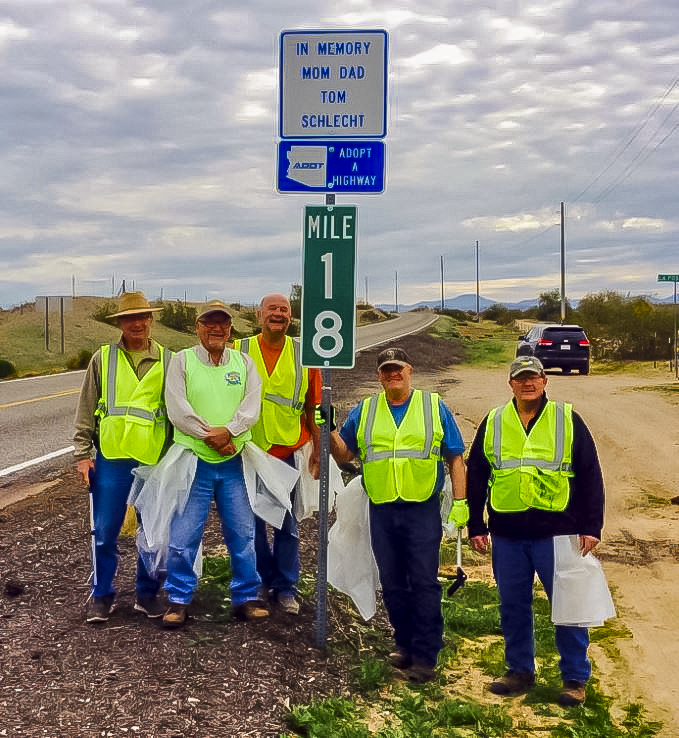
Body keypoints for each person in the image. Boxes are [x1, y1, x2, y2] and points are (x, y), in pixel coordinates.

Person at [467, 356, 605, 707]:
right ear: (510, 383)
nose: (528, 383)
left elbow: (589, 472)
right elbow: (478, 474)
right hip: (508, 534)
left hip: (558, 532)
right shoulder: (494, 421)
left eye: (534, 378)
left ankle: (574, 678)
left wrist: (592, 525)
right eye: (521, 378)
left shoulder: (566, 418)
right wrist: (475, 523)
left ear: (545, 381)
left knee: (568, 607)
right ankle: (519, 671)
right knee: (512, 606)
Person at [329, 347, 467, 683]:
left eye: (398, 368)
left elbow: (456, 458)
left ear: (409, 370)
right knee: (392, 582)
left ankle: (425, 654)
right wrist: (328, 428)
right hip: (383, 507)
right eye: (386, 369)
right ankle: (404, 643)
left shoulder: (433, 407)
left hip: (422, 507)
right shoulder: (365, 410)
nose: (393, 374)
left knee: (422, 581)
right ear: (379, 375)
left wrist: (460, 502)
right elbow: (345, 452)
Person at [161, 299, 267, 628]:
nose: (216, 328)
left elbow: (251, 405)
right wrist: (211, 436)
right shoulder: (182, 362)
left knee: (243, 533)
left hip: (234, 461)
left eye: (222, 323)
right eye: (209, 323)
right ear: (198, 328)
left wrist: (231, 432)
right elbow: (177, 407)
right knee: (183, 535)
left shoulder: (243, 363)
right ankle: (178, 600)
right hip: (195, 461)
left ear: (230, 329)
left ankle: (246, 597)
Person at [74, 291, 171, 623]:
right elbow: (86, 409)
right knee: (104, 530)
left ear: (151, 320)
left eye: (143, 317)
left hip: (153, 460)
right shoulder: (103, 358)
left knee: (152, 531)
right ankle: (102, 595)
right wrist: (82, 455)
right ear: (120, 323)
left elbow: (176, 413)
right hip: (112, 459)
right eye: (130, 318)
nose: (137, 323)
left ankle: (147, 594)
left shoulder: (169, 360)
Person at [233, 293, 320, 615]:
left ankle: (285, 588)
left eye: (284, 310)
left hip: (288, 451)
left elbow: (314, 405)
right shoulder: (239, 351)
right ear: (259, 315)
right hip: (248, 451)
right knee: (249, 524)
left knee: (287, 525)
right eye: (272, 309)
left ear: (290, 316)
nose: (278, 314)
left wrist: (317, 449)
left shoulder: (303, 353)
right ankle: (258, 580)